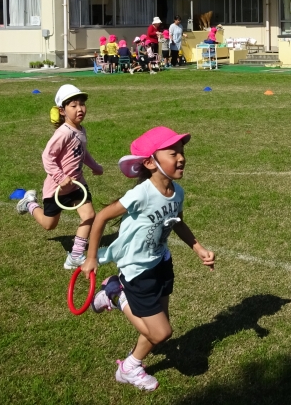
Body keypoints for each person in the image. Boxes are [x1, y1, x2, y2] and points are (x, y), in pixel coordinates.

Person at [81, 126, 215, 392]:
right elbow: (102, 217)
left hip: (161, 262)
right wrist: (91, 257)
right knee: (161, 333)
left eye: (182, 151)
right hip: (138, 269)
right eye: (173, 152)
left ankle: (117, 304)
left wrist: (198, 248)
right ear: (150, 162)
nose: (181, 157)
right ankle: (117, 301)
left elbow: (177, 222)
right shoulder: (141, 193)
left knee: (158, 331)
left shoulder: (177, 192)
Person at [16, 84, 103, 269]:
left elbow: (83, 152)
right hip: (57, 188)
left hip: (77, 184)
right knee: (49, 225)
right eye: (74, 105)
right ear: (62, 111)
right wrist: (59, 176)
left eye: (82, 104)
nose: (80, 109)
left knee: (89, 215)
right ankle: (30, 203)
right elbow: (47, 156)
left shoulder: (81, 130)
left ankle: (75, 255)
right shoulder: (63, 133)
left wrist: (95, 167)